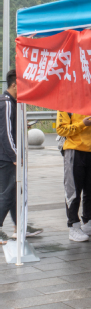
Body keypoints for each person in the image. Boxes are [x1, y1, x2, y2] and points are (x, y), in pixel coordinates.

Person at [0, 69, 42, 244]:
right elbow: (5, 134)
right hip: (7, 158)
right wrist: (15, 155)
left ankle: (20, 226)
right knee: (8, 193)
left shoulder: (12, 103)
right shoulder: (7, 103)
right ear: (14, 84)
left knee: (15, 192)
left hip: (8, 156)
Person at [57, 111, 91, 242]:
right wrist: (82, 124)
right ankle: (73, 225)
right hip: (74, 151)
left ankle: (88, 223)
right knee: (73, 190)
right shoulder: (66, 105)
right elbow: (61, 130)